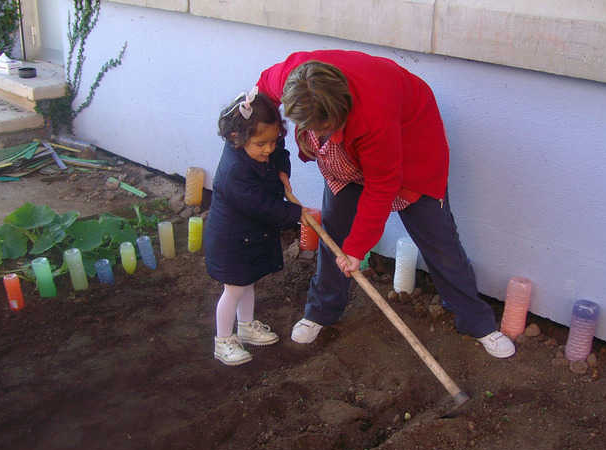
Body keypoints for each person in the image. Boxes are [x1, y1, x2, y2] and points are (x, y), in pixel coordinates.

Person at [257, 50, 515, 358]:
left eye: (324, 128)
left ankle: (476, 321)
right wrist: (266, 153)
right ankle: (321, 311)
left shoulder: (373, 115)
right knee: (335, 231)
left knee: (438, 239)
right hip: (356, 147)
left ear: (342, 108)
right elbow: (261, 99)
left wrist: (357, 249)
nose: (318, 135)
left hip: (412, 147)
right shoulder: (293, 77)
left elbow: (381, 187)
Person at [204, 87, 305, 365]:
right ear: (237, 138)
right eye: (262, 144)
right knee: (234, 289)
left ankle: (246, 326)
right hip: (230, 242)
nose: (269, 149)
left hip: (247, 237)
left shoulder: (259, 148)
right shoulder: (235, 172)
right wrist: (297, 213)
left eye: (272, 141)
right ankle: (223, 341)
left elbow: (279, 152)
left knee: (248, 282)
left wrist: (282, 168)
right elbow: (263, 206)